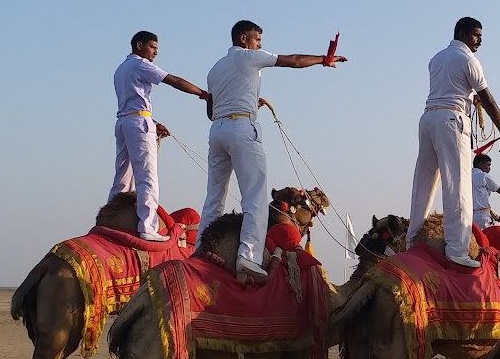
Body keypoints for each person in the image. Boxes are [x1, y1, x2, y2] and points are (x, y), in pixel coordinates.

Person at [200, 21, 346, 285]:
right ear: (243, 39)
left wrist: (243, 100)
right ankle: (248, 256)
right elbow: (292, 60)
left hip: (218, 130)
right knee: (255, 197)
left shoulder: (215, 69)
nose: (260, 45)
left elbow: (211, 112)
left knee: (214, 197)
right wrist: (323, 60)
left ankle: (200, 249)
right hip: (242, 128)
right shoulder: (248, 57)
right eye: (257, 39)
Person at [407, 17, 500, 270]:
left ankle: (412, 242)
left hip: (428, 120)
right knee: (457, 185)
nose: (480, 40)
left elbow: (454, 88)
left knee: (423, 184)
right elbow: (488, 99)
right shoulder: (469, 60)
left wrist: (469, 99)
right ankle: (457, 250)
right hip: (452, 121)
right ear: (462, 34)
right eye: (476, 35)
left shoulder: (436, 58)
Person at [109, 31, 210, 243]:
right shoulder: (141, 64)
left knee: (123, 177)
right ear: (139, 46)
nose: (156, 52)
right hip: (138, 122)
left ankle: (111, 220)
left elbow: (132, 103)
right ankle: (148, 227)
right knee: (147, 177)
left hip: (125, 122)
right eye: (152, 47)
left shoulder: (121, 69)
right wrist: (203, 94)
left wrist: (153, 123)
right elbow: (173, 80)